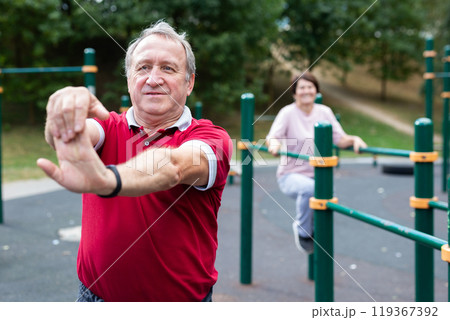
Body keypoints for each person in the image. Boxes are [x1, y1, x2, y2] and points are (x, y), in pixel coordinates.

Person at [37, 21, 232, 302]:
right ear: (129, 78)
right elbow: (77, 133)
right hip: (94, 299)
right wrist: (62, 120)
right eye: (143, 67)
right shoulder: (106, 126)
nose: (153, 78)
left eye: (168, 68)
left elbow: (175, 166)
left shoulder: (211, 138)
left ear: (189, 82)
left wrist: (109, 180)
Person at [265, 72, 366, 254]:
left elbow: (340, 139)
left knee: (326, 195)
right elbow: (272, 137)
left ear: (316, 91)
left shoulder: (324, 112)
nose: (306, 91)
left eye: (310, 87)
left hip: (318, 175)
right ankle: (303, 230)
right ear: (294, 92)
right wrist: (274, 145)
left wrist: (354, 140)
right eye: (301, 87)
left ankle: (317, 235)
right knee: (312, 189)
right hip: (290, 175)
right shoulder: (287, 113)